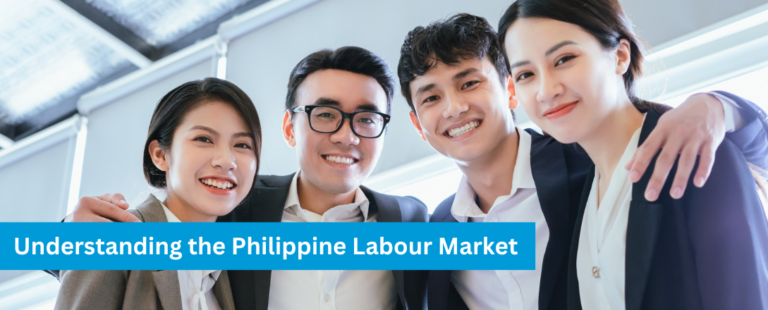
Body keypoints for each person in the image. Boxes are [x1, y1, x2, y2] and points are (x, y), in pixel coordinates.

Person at [398, 13, 768, 310]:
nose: (455, 108)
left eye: (468, 83)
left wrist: (719, 106)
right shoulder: (440, 232)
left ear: (510, 89)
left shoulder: (589, 160)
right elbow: (349, 253)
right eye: (430, 98)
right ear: (417, 124)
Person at [54, 46, 428, 310]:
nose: (346, 135)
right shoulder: (241, 207)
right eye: (325, 114)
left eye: (366, 119)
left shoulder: (409, 221)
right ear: (289, 128)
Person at [501, 0, 768, 309]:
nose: (546, 90)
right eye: (525, 75)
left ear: (620, 56)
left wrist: (721, 106)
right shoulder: (580, 190)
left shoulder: (694, 154)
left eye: (564, 59)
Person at [55, 77, 262, 309]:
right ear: (160, 155)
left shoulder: (230, 271)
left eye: (243, 145)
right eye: (203, 139)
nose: (226, 161)